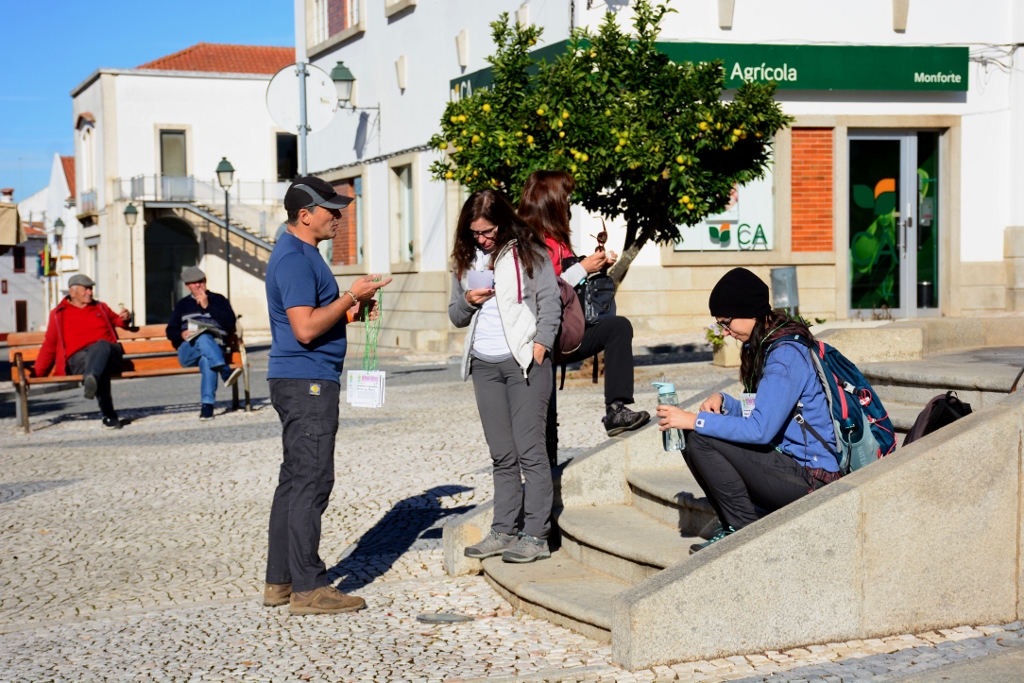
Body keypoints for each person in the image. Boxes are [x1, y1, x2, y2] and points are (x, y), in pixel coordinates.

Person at [263, 176, 391, 614]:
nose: (339, 216)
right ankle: (309, 588)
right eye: (330, 210)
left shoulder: (299, 254)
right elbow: (305, 328)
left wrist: (350, 310)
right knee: (312, 481)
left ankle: (280, 581)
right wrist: (351, 294)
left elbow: (315, 319)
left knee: (294, 480)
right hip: (308, 382)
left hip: (300, 378)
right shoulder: (296, 259)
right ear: (305, 215)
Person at [655, 267, 842, 554]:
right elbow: (763, 411)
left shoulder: (785, 356)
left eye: (726, 323)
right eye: (721, 325)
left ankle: (742, 534)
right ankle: (734, 524)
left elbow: (759, 430)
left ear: (750, 312)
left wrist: (695, 420)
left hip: (813, 479)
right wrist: (725, 403)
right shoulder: (765, 346)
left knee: (700, 433)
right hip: (789, 466)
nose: (725, 332)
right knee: (691, 435)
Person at [451, 189, 560, 564]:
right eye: (475, 232)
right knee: (502, 455)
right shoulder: (465, 259)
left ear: (504, 222)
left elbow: (550, 302)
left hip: (523, 362)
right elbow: (454, 314)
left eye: (488, 231)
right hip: (484, 364)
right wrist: (468, 301)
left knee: (531, 452)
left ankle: (536, 535)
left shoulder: (529, 251)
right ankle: (503, 530)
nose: (482, 238)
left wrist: (541, 344)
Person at [518, 170, 649, 441]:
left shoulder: (558, 238)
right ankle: (545, 477)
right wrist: (582, 267)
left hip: (568, 331)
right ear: (550, 199)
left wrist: (593, 264)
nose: (568, 202)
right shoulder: (528, 241)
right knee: (544, 427)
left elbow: (565, 278)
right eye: (565, 196)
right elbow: (539, 290)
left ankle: (616, 410)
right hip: (541, 338)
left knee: (618, 327)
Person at [32, 273, 131, 429]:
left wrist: (125, 318)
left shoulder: (101, 307)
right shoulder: (59, 314)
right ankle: (106, 410)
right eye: (85, 289)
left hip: (109, 353)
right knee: (98, 367)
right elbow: (50, 345)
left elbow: (119, 321)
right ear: (72, 292)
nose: (90, 292)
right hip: (79, 361)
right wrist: (37, 373)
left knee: (100, 347)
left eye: (90, 289)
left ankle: (92, 380)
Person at [165, 266, 242, 421]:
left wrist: (208, 307)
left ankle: (207, 406)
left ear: (205, 282)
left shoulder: (218, 300)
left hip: (214, 349)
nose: (198, 285)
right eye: (193, 283)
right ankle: (224, 370)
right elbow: (170, 331)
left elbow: (230, 323)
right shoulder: (183, 305)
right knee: (202, 336)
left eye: (200, 281)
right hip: (189, 351)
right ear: (187, 286)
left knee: (207, 359)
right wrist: (182, 334)